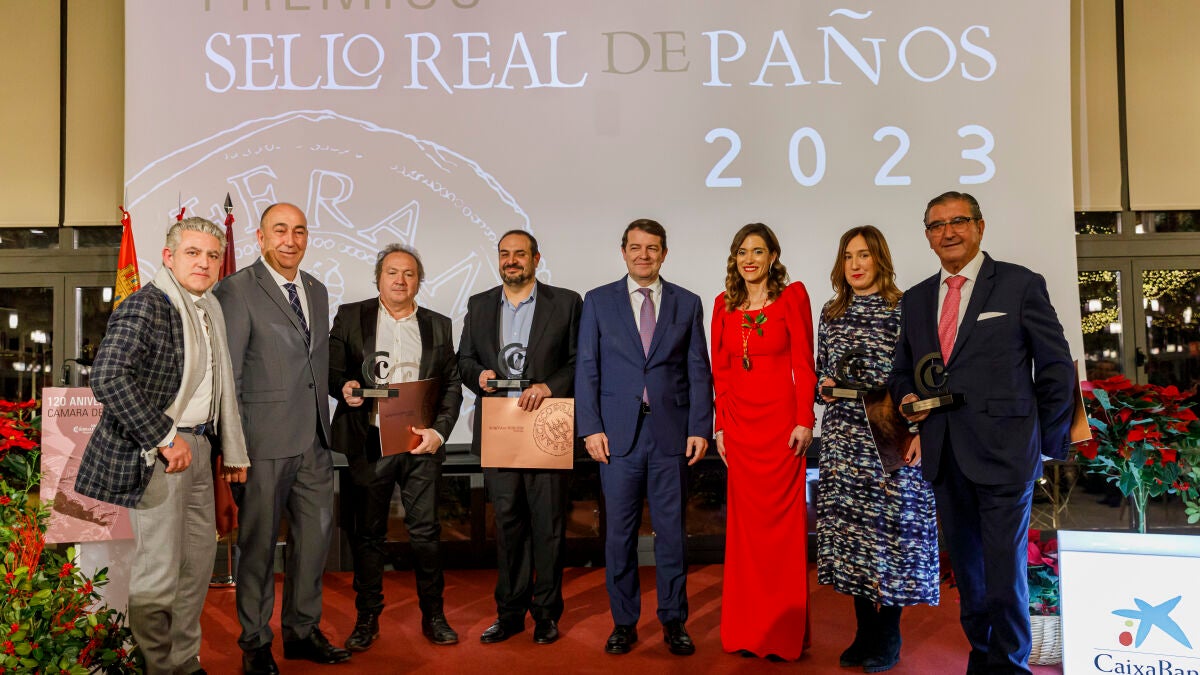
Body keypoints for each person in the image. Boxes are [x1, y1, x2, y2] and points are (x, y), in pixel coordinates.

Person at [889, 192, 1074, 674]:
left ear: (980, 226)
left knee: (1004, 573)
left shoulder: (1020, 284)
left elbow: (1056, 368)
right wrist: (907, 398)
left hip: (1005, 455)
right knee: (969, 574)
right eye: (937, 225)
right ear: (927, 236)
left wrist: (1043, 444)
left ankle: (1010, 665)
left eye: (958, 221)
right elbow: (902, 371)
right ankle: (982, 656)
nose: (948, 232)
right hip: (945, 454)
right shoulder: (916, 299)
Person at [75, 217, 250, 675]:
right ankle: (156, 667)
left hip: (200, 448)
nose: (204, 262)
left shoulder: (210, 309)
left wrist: (222, 449)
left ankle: (184, 662)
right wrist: (164, 437)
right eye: (193, 252)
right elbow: (108, 377)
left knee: (196, 567)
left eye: (212, 255)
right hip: (159, 453)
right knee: (159, 572)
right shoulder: (147, 305)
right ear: (169, 257)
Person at [214, 203, 349, 673]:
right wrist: (232, 447)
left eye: (299, 231)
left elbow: (313, 365)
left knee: (313, 543)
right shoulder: (236, 289)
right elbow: (229, 375)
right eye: (280, 230)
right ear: (260, 237)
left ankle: (302, 631)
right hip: (261, 443)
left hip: (314, 440)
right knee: (257, 548)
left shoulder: (316, 289)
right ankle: (255, 643)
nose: (290, 240)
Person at [575, 218, 713, 657]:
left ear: (664, 254)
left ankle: (674, 621)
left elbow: (698, 370)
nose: (643, 255)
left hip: (671, 435)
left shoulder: (687, 303)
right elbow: (587, 368)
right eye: (635, 247)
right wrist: (590, 427)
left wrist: (699, 427)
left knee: (671, 536)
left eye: (652, 248)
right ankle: (624, 623)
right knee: (619, 536)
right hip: (617, 438)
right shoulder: (598, 301)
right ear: (623, 252)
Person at [816, 225, 939, 673]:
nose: (855, 264)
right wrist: (824, 386)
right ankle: (864, 632)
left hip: (891, 437)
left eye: (864, 255)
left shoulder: (905, 308)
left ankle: (888, 635)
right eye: (848, 256)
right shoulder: (831, 312)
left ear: (880, 259)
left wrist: (922, 432)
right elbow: (820, 371)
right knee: (854, 539)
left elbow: (925, 375)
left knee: (891, 538)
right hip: (843, 440)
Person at [328, 243, 464, 650]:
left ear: (419, 281)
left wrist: (439, 432)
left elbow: (451, 384)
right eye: (392, 272)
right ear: (378, 278)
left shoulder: (438, 324)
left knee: (425, 533)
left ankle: (434, 616)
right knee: (368, 534)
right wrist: (344, 387)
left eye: (409, 273)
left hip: (420, 441)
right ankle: (367, 618)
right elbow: (332, 370)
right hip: (370, 440)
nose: (400, 280)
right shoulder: (352, 315)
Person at [457, 230, 583, 646]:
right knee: (508, 526)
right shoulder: (479, 305)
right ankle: (509, 614)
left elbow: (578, 361)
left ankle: (546, 615)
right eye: (505, 254)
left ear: (536, 259)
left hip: (547, 427)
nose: (511, 260)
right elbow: (464, 360)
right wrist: (478, 375)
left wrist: (549, 386)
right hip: (500, 429)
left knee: (548, 526)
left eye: (520, 254)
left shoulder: (566, 303)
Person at [709, 223, 816, 662]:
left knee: (782, 534)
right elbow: (721, 372)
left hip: (781, 430)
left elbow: (804, 364)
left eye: (757, 251)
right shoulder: (723, 305)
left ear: (773, 256)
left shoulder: (793, 297)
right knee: (746, 535)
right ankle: (747, 631)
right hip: (740, 429)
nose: (749, 259)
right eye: (742, 251)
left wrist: (805, 420)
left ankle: (782, 634)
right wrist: (720, 426)